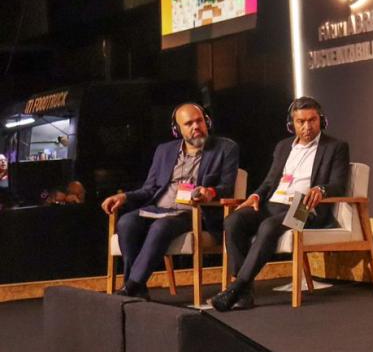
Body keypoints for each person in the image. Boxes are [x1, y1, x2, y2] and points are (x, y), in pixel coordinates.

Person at [211, 97, 348, 311]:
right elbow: (269, 182)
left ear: (322, 120)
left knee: (268, 226)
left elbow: (338, 184)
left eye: (312, 120)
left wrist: (321, 189)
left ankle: (236, 287)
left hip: (306, 207)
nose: (307, 126)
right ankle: (244, 294)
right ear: (291, 124)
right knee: (233, 221)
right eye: (301, 121)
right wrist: (256, 196)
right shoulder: (283, 146)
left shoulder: (335, 147)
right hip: (274, 204)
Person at [103, 104, 240, 299]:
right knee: (126, 222)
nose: (196, 126)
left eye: (199, 121)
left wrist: (209, 192)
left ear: (207, 122)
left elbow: (227, 187)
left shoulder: (225, 148)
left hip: (194, 213)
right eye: (189, 123)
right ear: (177, 129)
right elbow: (149, 189)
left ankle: (131, 285)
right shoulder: (164, 150)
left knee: (162, 226)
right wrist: (124, 196)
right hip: (158, 209)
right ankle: (136, 287)